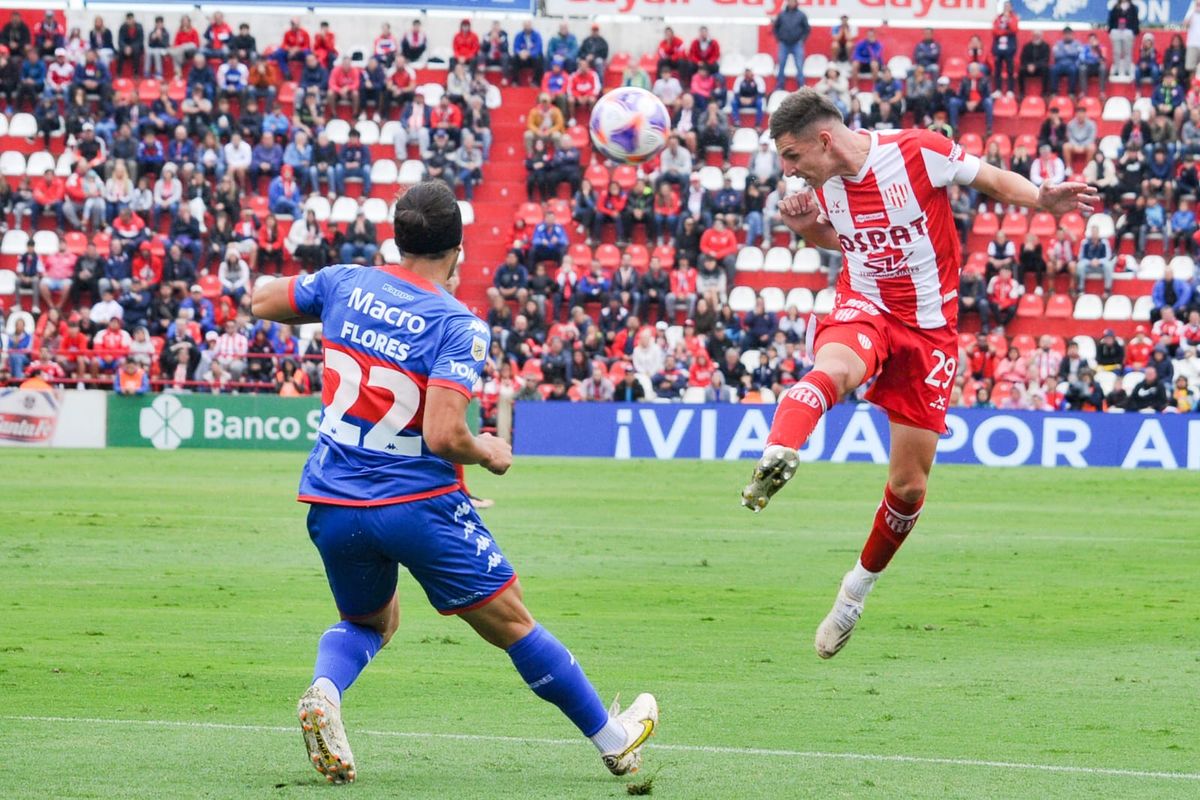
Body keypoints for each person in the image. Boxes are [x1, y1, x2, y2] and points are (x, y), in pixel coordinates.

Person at [251, 181, 657, 783]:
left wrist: (335, 301)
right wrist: (488, 450)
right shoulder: (456, 324)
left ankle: (325, 691)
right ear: (458, 250)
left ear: (396, 235)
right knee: (514, 623)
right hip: (417, 504)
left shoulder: (345, 282)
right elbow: (444, 435)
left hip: (332, 499)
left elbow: (262, 300)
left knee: (371, 623)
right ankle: (614, 740)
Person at [740, 89, 1096, 658]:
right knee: (833, 367)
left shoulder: (917, 152)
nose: (787, 170)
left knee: (909, 486)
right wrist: (806, 230)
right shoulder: (816, 188)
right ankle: (778, 452)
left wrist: (1043, 200)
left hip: (930, 330)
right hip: (865, 306)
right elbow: (842, 243)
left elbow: (995, 180)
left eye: (791, 155)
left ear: (824, 140)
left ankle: (854, 592)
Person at [772, 0, 810, 91]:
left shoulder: (801, 15)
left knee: (799, 65)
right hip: (784, 44)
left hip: (796, 44)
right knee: (781, 65)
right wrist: (779, 38)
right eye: (790, 1)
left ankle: (801, 86)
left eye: (793, 1)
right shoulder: (781, 14)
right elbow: (775, 27)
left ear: (796, 3)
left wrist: (802, 40)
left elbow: (807, 29)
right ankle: (780, 85)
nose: (791, 3)